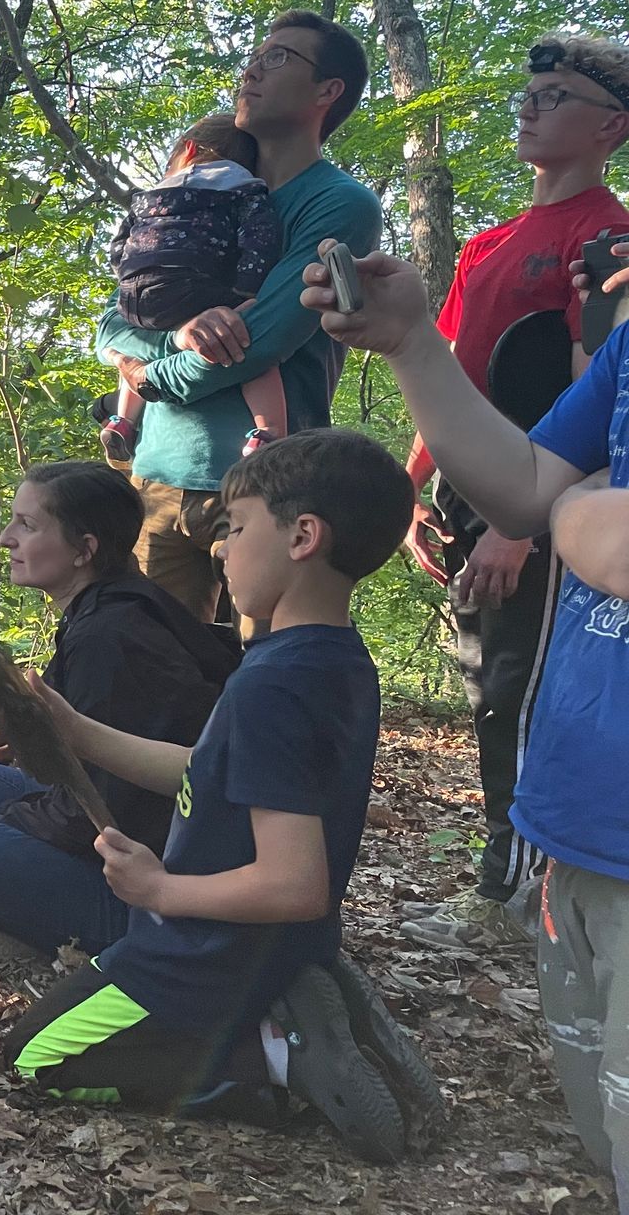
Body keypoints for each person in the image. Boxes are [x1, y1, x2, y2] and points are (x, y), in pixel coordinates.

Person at [4, 429, 441, 1163]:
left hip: (201, 952)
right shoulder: (327, 658)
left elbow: (295, 883)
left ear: (303, 537)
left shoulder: (274, 683)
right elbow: (210, 771)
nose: (221, 549)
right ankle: (297, 1003)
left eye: (237, 529)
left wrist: (159, 888)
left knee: (36, 1059)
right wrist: (75, 731)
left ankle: (275, 1060)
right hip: (252, 942)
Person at [302, 222, 629, 1193]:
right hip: (579, 823)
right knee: (604, 1128)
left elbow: (582, 527)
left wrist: (579, 514)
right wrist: (413, 343)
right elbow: (529, 484)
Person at [398, 35, 629, 953]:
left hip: (537, 502)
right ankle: (511, 878)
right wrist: (407, 486)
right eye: (528, 92)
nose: (530, 107)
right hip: (474, 490)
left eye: (558, 94)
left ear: (611, 125)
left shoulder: (604, 239)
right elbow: (451, 372)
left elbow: (589, 398)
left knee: (518, 686)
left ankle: (518, 891)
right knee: (485, 678)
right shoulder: (490, 242)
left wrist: (520, 526)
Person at [97, 12, 382, 623]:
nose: (252, 67)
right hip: (156, 477)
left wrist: (147, 378)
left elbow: (259, 340)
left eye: (280, 58)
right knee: (157, 673)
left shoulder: (338, 204)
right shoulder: (191, 195)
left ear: (327, 91)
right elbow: (113, 323)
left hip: (267, 483)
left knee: (268, 670)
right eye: (255, 54)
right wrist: (173, 332)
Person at [0, 462, 240, 967]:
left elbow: (108, 813)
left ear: (85, 549)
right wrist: (33, 743)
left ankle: (64, 936)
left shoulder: (109, 639)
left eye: (27, 525)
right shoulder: (110, 608)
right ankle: (26, 920)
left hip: (147, 883)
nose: (4, 538)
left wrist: (8, 824)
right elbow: (90, 759)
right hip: (117, 825)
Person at [99, 114, 285, 467]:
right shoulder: (245, 187)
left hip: (136, 294)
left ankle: (122, 422)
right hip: (196, 288)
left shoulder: (151, 195)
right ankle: (269, 433)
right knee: (250, 347)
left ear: (189, 150)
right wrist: (245, 292)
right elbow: (259, 240)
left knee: (133, 354)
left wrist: (128, 281)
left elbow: (120, 242)